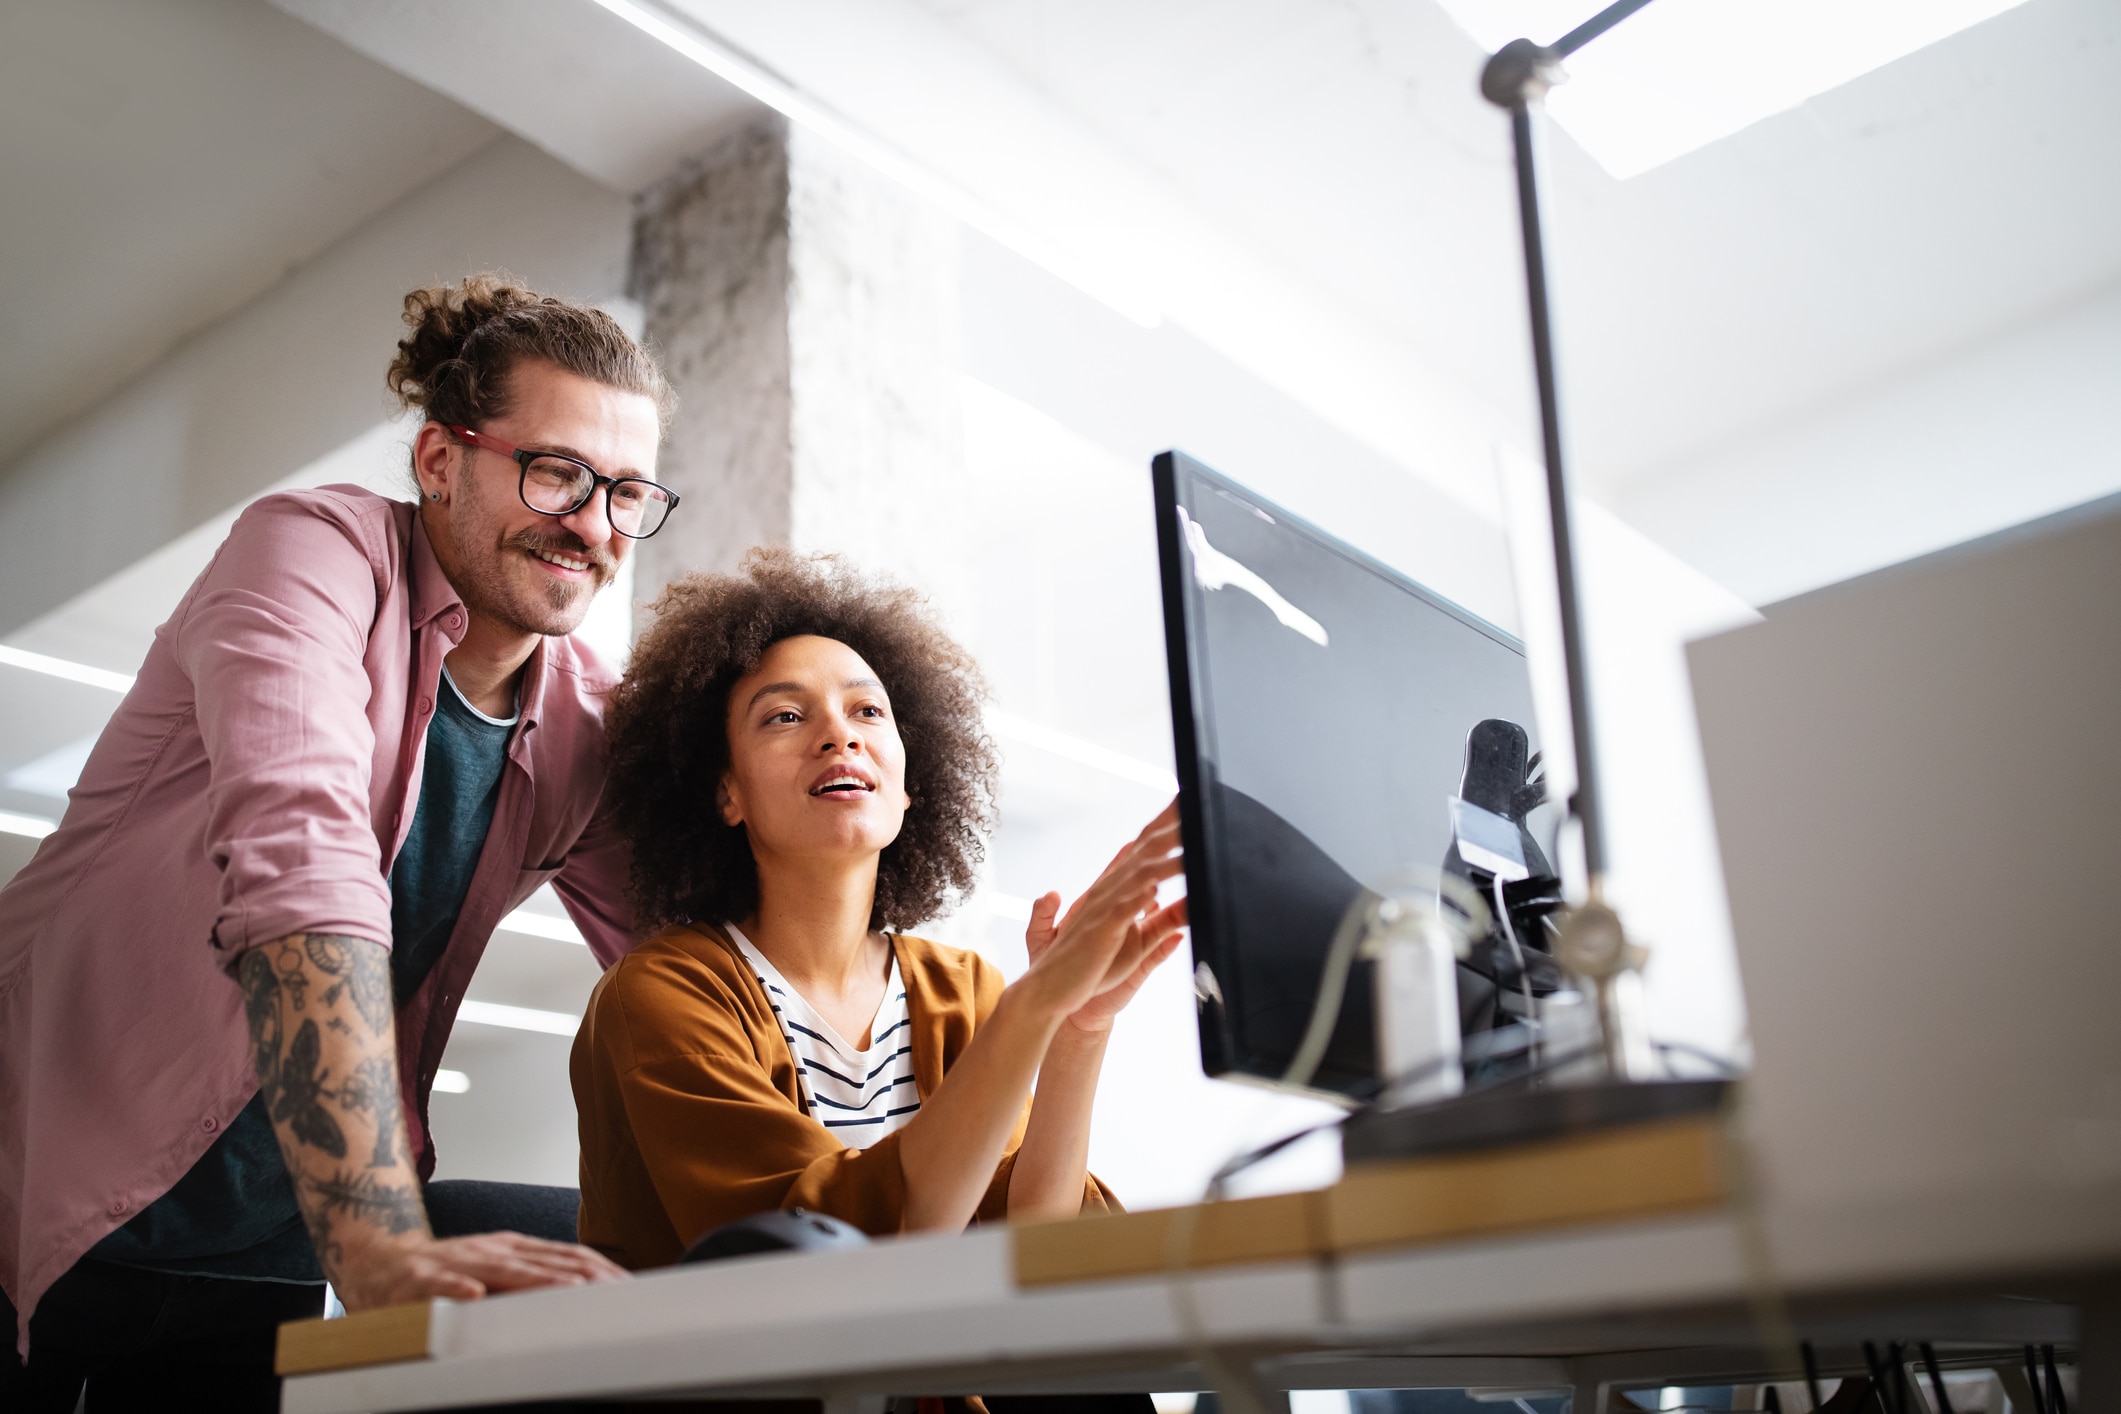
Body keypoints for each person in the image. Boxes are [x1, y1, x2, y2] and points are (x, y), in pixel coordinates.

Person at [0, 275, 680, 1408]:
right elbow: (301, 852)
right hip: (44, 1167)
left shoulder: (584, 723)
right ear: (439, 461)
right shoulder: (313, 552)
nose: (593, 523)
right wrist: (378, 1243)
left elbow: (691, 968)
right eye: (556, 471)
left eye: (627, 491)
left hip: (261, 1242)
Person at [574, 550, 1185, 1265]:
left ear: (908, 784)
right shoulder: (662, 994)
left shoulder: (962, 991)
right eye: (783, 716)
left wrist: (1077, 1030)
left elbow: (1036, 1250)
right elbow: (826, 1259)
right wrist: (1031, 1010)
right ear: (724, 793)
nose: (840, 735)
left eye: (868, 710)